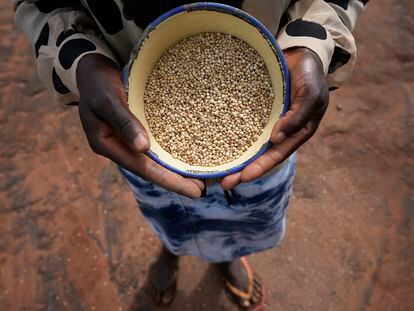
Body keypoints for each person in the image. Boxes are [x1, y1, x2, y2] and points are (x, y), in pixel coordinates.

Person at [14, 0, 367, 309]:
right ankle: (173, 249)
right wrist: (81, 60)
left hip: (269, 128)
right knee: (166, 205)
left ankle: (227, 255)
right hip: (134, 115)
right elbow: (41, 3)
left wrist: (311, 42)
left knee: (250, 209)